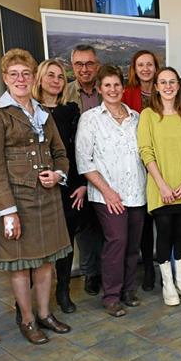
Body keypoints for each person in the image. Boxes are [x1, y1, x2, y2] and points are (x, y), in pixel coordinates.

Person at [0, 48, 72, 344]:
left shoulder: (43, 112)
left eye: (25, 73)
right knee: (20, 264)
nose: (20, 79)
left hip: (48, 198)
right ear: (5, 78)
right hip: (17, 201)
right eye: (13, 74)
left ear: (33, 77)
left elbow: (60, 152)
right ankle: (28, 320)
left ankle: (45, 314)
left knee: (45, 261)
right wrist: (7, 210)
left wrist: (59, 175)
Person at [76, 65, 147, 317]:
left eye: (117, 84)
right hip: (106, 195)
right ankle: (112, 296)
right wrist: (108, 192)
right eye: (107, 85)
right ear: (99, 89)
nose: (113, 89)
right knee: (116, 241)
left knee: (132, 245)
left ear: (123, 87)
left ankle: (128, 291)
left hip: (136, 192)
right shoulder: (91, 119)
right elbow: (84, 161)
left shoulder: (136, 118)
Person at [138, 67, 181, 306]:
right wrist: (163, 186)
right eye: (162, 82)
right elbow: (146, 152)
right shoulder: (148, 115)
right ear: (156, 87)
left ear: (178, 86)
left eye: (172, 82)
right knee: (164, 233)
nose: (167, 86)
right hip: (160, 188)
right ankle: (167, 284)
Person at [32, 59, 86, 313]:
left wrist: (83, 184)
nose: (55, 80)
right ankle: (30, 301)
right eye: (50, 75)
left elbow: (80, 150)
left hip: (70, 187)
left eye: (60, 77)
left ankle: (63, 292)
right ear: (40, 79)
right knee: (38, 245)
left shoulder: (71, 110)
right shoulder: (29, 110)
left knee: (66, 242)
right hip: (38, 187)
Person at [63, 44, 103, 296]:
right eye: (79, 64)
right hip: (78, 169)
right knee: (85, 226)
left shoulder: (107, 88)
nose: (84, 69)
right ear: (72, 66)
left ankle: (109, 269)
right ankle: (91, 273)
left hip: (108, 166)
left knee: (108, 223)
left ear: (97, 65)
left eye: (89, 63)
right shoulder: (65, 93)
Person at [122, 49, 160, 291]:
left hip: (163, 163)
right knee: (143, 220)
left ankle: (163, 263)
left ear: (156, 67)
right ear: (134, 69)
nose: (145, 69)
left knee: (162, 218)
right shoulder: (127, 94)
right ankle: (147, 267)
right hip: (136, 164)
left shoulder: (165, 89)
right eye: (140, 65)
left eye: (149, 64)